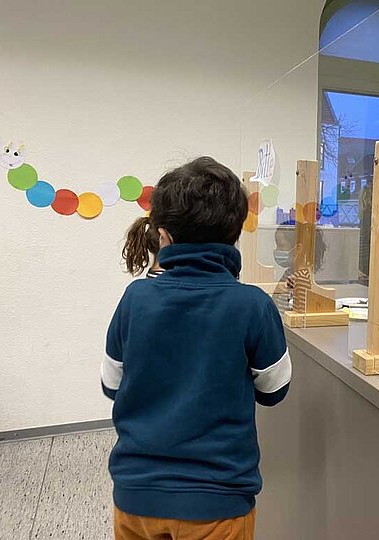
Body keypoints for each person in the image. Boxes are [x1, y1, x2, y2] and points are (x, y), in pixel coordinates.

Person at [101, 156, 291, 540]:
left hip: (136, 496)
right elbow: (274, 391)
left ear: (163, 235)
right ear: (236, 232)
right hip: (217, 503)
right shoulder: (252, 305)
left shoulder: (135, 298)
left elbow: (111, 384)